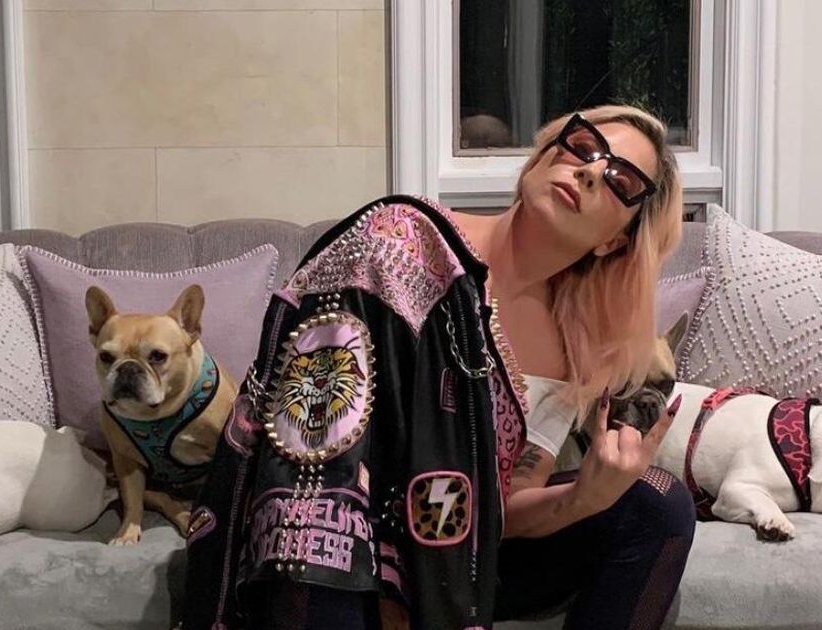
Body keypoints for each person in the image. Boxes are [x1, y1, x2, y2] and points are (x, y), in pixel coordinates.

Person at [179, 104, 693, 630]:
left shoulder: (573, 343)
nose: (589, 171)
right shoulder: (399, 244)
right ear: (541, 158)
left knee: (657, 504)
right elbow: (309, 449)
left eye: (620, 181)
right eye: (581, 147)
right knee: (324, 524)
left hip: (452, 556)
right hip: (331, 537)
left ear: (614, 241)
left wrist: (584, 498)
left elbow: (501, 511)